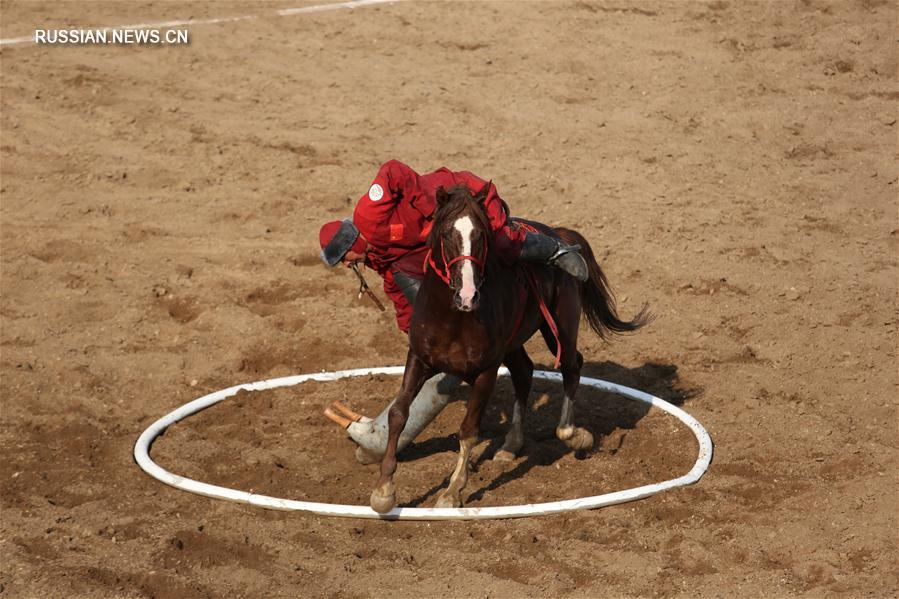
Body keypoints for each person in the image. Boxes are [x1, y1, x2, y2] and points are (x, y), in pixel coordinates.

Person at [318, 160, 587, 462]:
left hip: (460, 201)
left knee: (499, 241)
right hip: (446, 237)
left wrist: (433, 210)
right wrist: (416, 334)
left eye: (343, 258)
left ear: (348, 244)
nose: (346, 264)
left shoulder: (368, 215)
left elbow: (393, 171)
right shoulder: (378, 258)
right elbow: (399, 287)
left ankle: (555, 250)